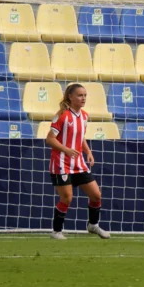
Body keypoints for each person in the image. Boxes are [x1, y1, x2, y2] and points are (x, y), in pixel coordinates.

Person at [45, 83, 108, 240]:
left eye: (85, 95)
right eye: (80, 95)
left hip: (78, 163)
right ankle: (56, 231)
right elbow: (50, 139)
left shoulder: (84, 116)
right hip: (61, 163)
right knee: (67, 198)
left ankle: (93, 225)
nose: (83, 98)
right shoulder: (62, 116)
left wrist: (88, 152)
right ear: (70, 97)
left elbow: (80, 137)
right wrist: (66, 150)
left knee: (96, 195)